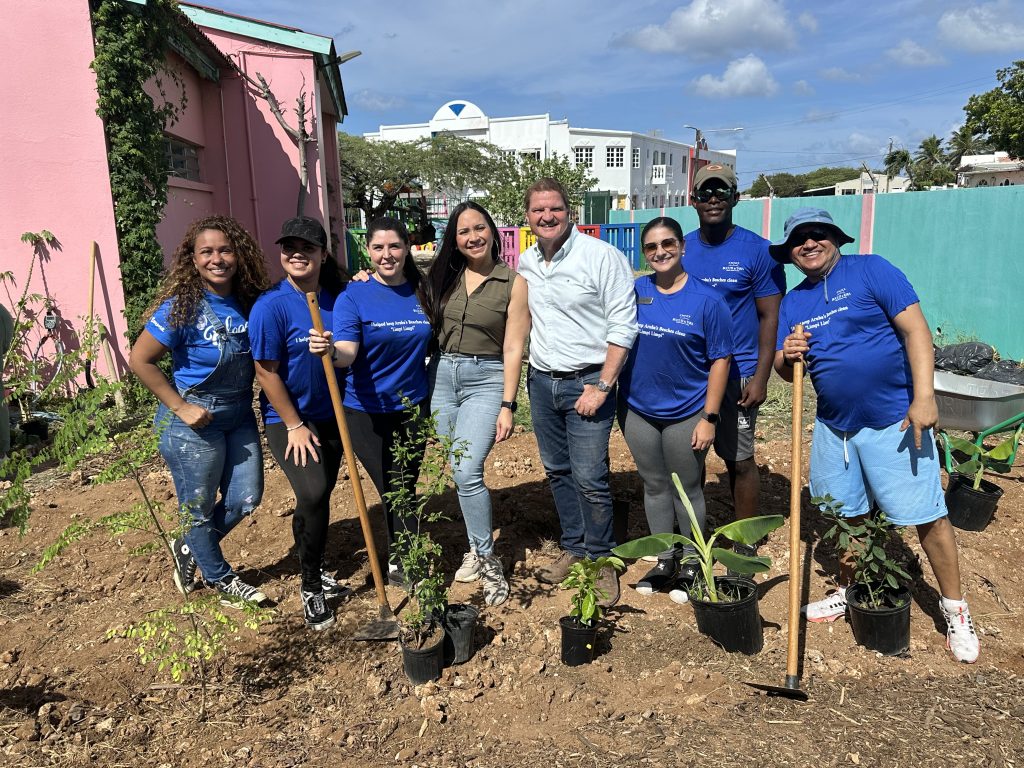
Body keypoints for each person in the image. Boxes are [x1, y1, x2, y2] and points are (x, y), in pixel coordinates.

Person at [772, 206, 979, 664]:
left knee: (927, 515)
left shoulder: (872, 270)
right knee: (849, 518)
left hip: (894, 422)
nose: (808, 243)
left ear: (836, 238)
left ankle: (955, 610)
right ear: (790, 251)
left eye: (817, 234)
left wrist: (923, 396)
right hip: (835, 427)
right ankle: (849, 590)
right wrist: (787, 355)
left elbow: (917, 332)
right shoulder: (795, 301)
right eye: (798, 239)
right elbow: (786, 373)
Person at [128, 215, 270, 607]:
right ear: (193, 260)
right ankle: (222, 579)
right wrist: (180, 406)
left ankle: (189, 546)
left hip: (238, 415)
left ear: (238, 255)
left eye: (225, 250)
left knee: (245, 498)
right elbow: (140, 359)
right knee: (199, 507)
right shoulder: (181, 308)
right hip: (193, 424)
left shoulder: (250, 301)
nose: (217, 258)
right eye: (206, 251)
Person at [517, 178, 637, 607]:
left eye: (555, 209)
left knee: (590, 476)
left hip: (587, 380)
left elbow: (624, 324)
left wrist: (603, 384)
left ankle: (602, 559)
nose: (547, 217)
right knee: (557, 470)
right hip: (542, 381)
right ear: (527, 216)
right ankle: (575, 546)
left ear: (571, 212)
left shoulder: (602, 257)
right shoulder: (527, 262)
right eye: (538, 210)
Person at [308, 217, 432, 587]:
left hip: (413, 407)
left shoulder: (421, 290)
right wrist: (330, 350)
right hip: (365, 410)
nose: (386, 255)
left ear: (407, 247)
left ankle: (400, 557)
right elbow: (347, 352)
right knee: (393, 486)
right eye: (378, 248)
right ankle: (407, 560)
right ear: (369, 251)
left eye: (394, 246)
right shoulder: (354, 295)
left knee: (405, 484)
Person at [618, 217, 733, 601]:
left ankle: (693, 562)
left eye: (667, 244)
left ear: (682, 247)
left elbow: (721, 360)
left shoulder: (707, 300)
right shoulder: (634, 292)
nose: (660, 252)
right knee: (653, 485)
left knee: (686, 487)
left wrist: (709, 417)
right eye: (651, 247)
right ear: (644, 253)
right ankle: (666, 557)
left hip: (687, 412)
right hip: (638, 410)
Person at [422, 202, 530, 606]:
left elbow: (515, 346)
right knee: (457, 468)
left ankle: (487, 560)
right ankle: (474, 544)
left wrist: (508, 404)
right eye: (463, 231)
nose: (472, 237)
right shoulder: (442, 278)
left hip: (486, 379)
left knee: (467, 469)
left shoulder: (512, 282)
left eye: (479, 228)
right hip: (442, 379)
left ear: (493, 232)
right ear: (455, 238)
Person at [249, 216, 350, 630]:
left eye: (307, 247)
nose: (296, 254)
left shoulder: (337, 297)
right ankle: (310, 585)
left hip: (334, 417)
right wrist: (293, 424)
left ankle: (317, 564)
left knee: (321, 495)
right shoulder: (271, 306)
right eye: (289, 247)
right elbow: (265, 371)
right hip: (290, 419)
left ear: (323, 254)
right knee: (312, 492)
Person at [684, 164, 785, 554]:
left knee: (739, 458)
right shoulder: (684, 249)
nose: (712, 198)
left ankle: (744, 539)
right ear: (693, 200)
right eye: (705, 192)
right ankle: (692, 536)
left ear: (735, 198)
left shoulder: (758, 251)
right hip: (693, 373)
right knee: (689, 455)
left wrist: (761, 377)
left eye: (721, 192)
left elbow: (769, 316)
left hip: (740, 370)